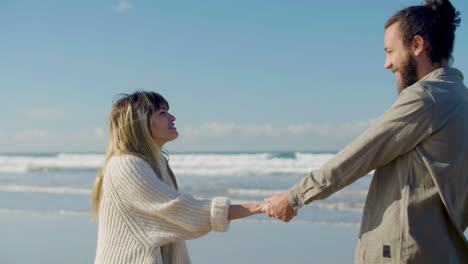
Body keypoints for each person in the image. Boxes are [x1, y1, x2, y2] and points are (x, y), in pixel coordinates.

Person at [264, 0, 468, 263]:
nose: (387, 63)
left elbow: (360, 154)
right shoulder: (460, 99)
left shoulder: (426, 98)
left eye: (390, 51)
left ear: (417, 45)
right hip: (443, 251)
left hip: (404, 252)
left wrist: (294, 198)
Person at [91, 91, 265, 264]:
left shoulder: (157, 165)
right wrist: (260, 207)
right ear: (140, 123)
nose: (172, 118)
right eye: (162, 113)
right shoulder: (126, 165)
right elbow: (182, 210)